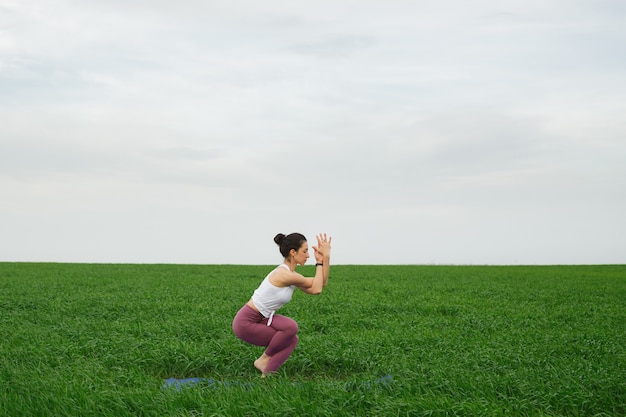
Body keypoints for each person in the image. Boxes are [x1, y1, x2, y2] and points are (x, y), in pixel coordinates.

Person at [232, 232, 332, 377]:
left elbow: (320, 284)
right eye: (305, 251)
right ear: (293, 252)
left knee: (292, 338)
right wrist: (320, 262)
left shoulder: (291, 275)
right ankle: (264, 359)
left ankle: (268, 374)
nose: (308, 255)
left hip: (262, 318)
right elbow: (317, 288)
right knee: (291, 328)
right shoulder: (285, 275)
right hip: (245, 323)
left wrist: (325, 258)